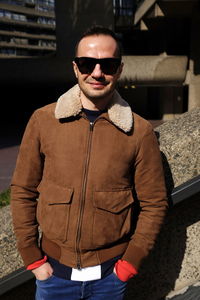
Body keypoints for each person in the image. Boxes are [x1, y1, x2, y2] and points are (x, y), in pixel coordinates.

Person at [11, 26, 168, 300]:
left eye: (107, 64)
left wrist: (129, 264)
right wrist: (33, 260)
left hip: (110, 279)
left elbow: (154, 203)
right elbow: (23, 190)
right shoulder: (43, 121)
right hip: (52, 276)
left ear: (119, 70)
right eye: (87, 63)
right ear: (75, 68)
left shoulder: (139, 132)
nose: (97, 73)